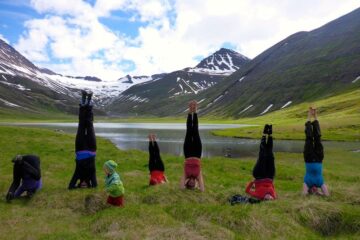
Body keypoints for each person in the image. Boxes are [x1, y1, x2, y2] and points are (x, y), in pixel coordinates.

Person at [68, 90, 97, 189]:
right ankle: (89, 103)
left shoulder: (78, 175)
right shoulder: (91, 176)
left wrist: (77, 187)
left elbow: (71, 186)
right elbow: (95, 186)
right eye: (86, 186)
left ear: (79, 184)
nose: (84, 186)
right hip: (91, 149)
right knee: (89, 125)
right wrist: (90, 187)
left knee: (81, 125)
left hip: (80, 149)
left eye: (82, 186)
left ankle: (83, 101)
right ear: (88, 184)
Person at [302, 107, 329, 196]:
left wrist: (309, 193)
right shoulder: (320, 182)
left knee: (309, 138)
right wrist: (319, 193)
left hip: (308, 158)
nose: (313, 190)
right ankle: (315, 115)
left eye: (311, 191)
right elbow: (327, 194)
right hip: (319, 158)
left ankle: (309, 115)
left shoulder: (307, 182)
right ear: (317, 189)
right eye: (315, 190)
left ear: (309, 190)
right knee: (318, 138)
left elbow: (304, 194)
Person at [245, 124, 277, 200]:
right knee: (270, 156)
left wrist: (252, 182)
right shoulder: (274, 196)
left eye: (267, 199)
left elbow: (247, 191)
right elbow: (272, 187)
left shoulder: (258, 195)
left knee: (263, 155)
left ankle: (264, 134)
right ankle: (269, 135)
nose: (269, 198)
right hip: (269, 177)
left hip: (259, 176)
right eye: (270, 198)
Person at [180, 101, 205, 192]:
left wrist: (185, 184)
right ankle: (195, 111)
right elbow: (202, 190)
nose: (191, 183)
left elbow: (181, 188)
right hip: (197, 154)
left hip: (187, 153)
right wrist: (198, 186)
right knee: (195, 131)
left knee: (189, 131)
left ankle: (190, 112)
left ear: (187, 183)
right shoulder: (198, 175)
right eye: (192, 185)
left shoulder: (186, 174)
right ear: (195, 184)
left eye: (189, 184)